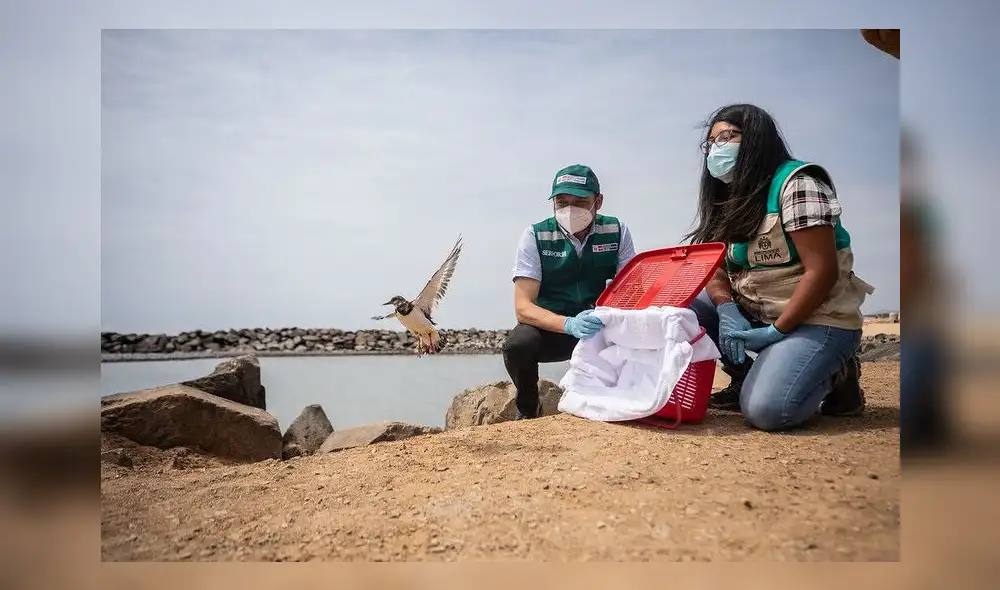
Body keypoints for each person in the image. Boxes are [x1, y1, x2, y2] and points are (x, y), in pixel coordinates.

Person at [685, 103, 875, 432]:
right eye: (711, 143)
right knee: (688, 306)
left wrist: (778, 331)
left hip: (814, 317)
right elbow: (713, 265)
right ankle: (744, 379)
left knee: (768, 411)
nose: (716, 149)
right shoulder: (728, 198)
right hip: (759, 311)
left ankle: (838, 373)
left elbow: (822, 271)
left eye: (727, 137)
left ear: (756, 139)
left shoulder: (796, 185)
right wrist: (726, 308)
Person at [503, 164, 638, 419]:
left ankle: (627, 398)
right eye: (562, 202)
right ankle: (529, 409)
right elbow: (523, 307)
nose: (569, 209)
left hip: (600, 328)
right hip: (555, 329)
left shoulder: (617, 231)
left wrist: (609, 314)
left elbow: (632, 290)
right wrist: (568, 324)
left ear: (598, 202)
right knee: (518, 345)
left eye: (580, 201)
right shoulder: (536, 235)